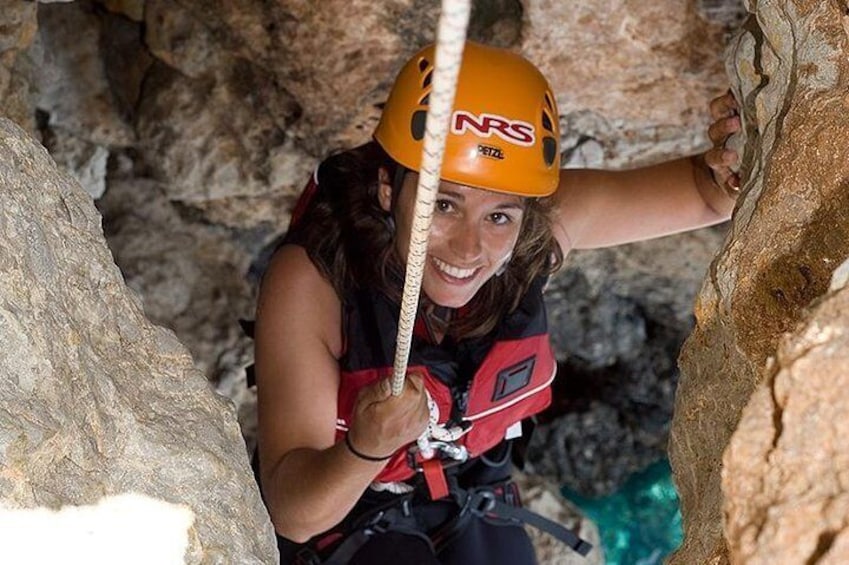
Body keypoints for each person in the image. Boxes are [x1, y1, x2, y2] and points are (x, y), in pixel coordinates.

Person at [251, 41, 741, 564]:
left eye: (499, 217)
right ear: (388, 190)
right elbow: (293, 514)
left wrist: (737, 153)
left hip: (470, 492)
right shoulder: (313, 280)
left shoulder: (537, 231)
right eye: (443, 204)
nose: (469, 249)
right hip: (346, 510)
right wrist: (364, 449)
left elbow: (710, 194)